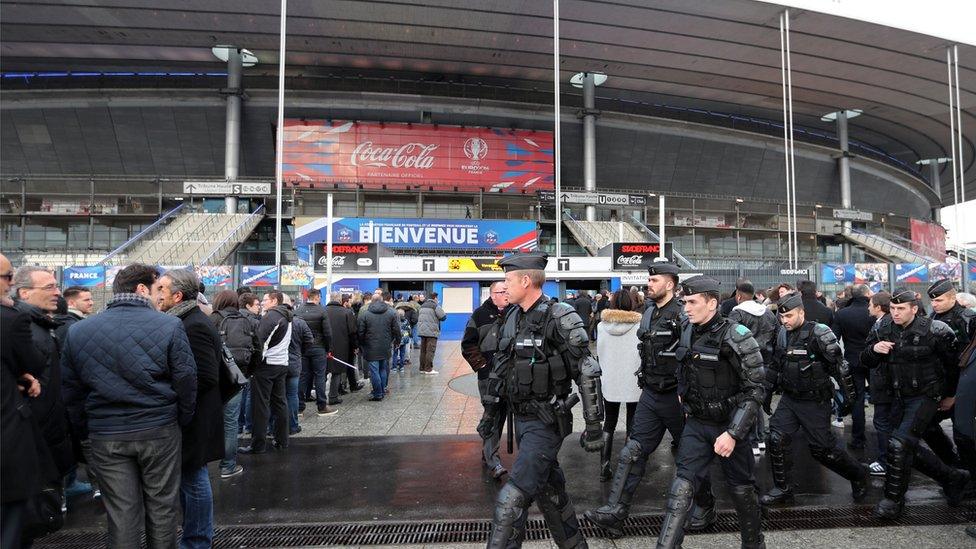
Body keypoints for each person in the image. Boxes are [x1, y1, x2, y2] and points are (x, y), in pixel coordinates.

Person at [61, 264, 197, 548]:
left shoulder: (80, 331)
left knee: (122, 514)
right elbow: (186, 380)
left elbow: (71, 392)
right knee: (162, 509)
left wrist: (86, 432)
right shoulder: (170, 325)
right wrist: (179, 419)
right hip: (158, 429)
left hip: (106, 433)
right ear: (141, 289)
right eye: (157, 287)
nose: (160, 294)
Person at [479, 251, 605, 549]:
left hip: (547, 423)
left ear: (526, 280)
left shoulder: (559, 316)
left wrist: (594, 424)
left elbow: (586, 370)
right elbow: (501, 369)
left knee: (512, 500)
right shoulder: (511, 315)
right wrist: (490, 416)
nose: (503, 286)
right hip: (520, 420)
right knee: (551, 492)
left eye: (508, 280)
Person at [587, 264, 714, 538]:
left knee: (690, 456)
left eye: (654, 279)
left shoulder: (682, 315)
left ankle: (705, 506)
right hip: (651, 395)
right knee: (631, 453)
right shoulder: (648, 314)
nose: (649, 283)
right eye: (648, 279)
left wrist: (689, 395)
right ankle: (615, 512)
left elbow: (694, 355)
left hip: (677, 399)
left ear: (670, 284)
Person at [654, 275, 766, 549]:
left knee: (742, 490)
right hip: (697, 424)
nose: (686, 308)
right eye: (684, 302)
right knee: (681, 489)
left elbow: (755, 390)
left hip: (729, 428)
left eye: (692, 302)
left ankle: (754, 545)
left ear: (713, 303)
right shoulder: (688, 328)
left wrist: (733, 433)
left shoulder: (737, 336)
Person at [860, 287, 970, 519]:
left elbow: (954, 367)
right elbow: (864, 360)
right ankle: (952, 477)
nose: (896, 313)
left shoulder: (936, 330)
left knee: (899, 445)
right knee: (902, 445)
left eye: (901, 309)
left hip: (926, 396)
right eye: (892, 308)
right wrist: (874, 350)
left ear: (914, 309)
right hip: (898, 396)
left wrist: (951, 395)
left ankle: (892, 502)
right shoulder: (882, 326)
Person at [759, 293, 867, 507]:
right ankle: (783, 488)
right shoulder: (783, 334)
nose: (785, 320)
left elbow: (840, 367)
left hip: (815, 401)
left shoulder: (819, 333)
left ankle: (858, 475)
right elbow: (775, 365)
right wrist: (767, 392)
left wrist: (849, 398)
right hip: (790, 399)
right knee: (776, 439)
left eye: (789, 316)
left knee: (822, 450)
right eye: (782, 317)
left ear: (801, 312)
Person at [154, 269, 224, 549]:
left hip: (195, 415)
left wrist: (181, 403)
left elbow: (205, 375)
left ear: (177, 295)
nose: (157, 295)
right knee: (191, 477)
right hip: (195, 413)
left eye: (162, 289)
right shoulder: (186, 319)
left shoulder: (191, 324)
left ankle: (197, 541)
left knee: (194, 478)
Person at [0, 253, 49, 548]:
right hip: (6, 442)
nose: (10, 283)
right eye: (7, 277)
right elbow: (32, 361)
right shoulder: (10, 320)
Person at [10, 267, 75, 487]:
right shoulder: (23, 330)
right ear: (24, 292)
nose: (57, 292)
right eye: (49, 287)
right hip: (36, 441)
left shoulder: (41, 326)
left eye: (56, 286)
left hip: (47, 437)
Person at [460, 280, 510, 480]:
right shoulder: (479, 315)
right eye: (502, 291)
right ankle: (493, 460)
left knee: (503, 413)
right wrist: (481, 365)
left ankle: (488, 451)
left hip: (511, 375)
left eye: (507, 290)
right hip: (488, 376)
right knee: (492, 413)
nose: (506, 294)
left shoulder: (515, 312)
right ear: (492, 294)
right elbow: (468, 344)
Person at [592, 289, 641, 482]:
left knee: (609, 423)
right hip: (633, 380)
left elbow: (600, 352)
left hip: (610, 379)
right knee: (633, 423)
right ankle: (628, 466)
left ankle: (604, 466)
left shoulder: (602, 326)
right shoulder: (640, 326)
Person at [926, 278, 975, 467]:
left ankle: (970, 476)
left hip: (962, 387)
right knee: (926, 426)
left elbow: (965, 362)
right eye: (933, 301)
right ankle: (954, 466)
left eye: (939, 300)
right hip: (939, 386)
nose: (934, 304)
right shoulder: (932, 319)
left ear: (952, 298)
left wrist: (954, 395)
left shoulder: (967, 319)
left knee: (963, 434)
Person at [210, 290, 257, 479]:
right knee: (230, 423)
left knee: (208, 420)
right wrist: (247, 372)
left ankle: (202, 465)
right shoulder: (247, 320)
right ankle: (228, 465)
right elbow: (257, 348)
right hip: (236, 377)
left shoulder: (212, 319)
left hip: (213, 378)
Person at [240, 290, 292, 454]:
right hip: (281, 364)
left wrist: (252, 366)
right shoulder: (288, 316)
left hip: (266, 366)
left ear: (275, 300)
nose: (262, 303)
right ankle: (282, 440)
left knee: (260, 406)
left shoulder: (271, 317)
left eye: (265, 300)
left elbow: (259, 343)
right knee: (280, 403)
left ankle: (258, 444)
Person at [831, 284, 875, 451]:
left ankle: (858, 438)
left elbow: (834, 338)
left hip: (853, 359)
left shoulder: (842, 314)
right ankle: (886, 434)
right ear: (866, 294)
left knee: (857, 399)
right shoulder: (873, 312)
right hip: (874, 359)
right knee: (881, 398)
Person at [295, 290, 335, 414]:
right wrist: (329, 349)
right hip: (319, 348)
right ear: (317, 297)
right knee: (319, 376)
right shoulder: (322, 311)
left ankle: (299, 407)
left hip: (303, 348)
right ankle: (322, 406)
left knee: (302, 376)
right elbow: (328, 333)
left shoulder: (299, 310)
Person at [866, 291, 893, 476]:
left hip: (884, 382)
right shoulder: (880, 323)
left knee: (882, 421)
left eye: (870, 304)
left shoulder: (885, 325)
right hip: (882, 380)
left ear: (877, 307)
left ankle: (886, 461)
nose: (868, 307)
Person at [358, 293, 401, 402]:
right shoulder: (391, 312)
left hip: (371, 346)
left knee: (374, 371)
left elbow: (361, 332)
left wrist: (361, 344)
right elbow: (396, 329)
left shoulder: (365, 314)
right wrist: (397, 341)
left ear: (371, 301)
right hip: (386, 345)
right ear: (382, 300)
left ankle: (377, 393)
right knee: (383, 368)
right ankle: (382, 390)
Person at [284, 294, 318, 430]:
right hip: (294, 361)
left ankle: (273, 426)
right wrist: (300, 351)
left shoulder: (271, 319)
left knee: (276, 395)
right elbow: (309, 340)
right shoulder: (298, 321)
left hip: (276, 363)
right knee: (292, 394)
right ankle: (293, 425)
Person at [325, 292, 362, 393]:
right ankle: (335, 393)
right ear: (340, 300)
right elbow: (352, 332)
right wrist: (355, 346)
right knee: (338, 370)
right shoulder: (346, 312)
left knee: (324, 371)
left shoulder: (323, 311)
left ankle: (321, 394)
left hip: (325, 345)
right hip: (344, 346)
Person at [236, 292, 261, 436]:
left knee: (239, 394)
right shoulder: (254, 321)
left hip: (234, 363)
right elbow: (259, 344)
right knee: (250, 394)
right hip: (249, 362)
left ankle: (238, 425)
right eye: (256, 305)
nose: (259, 308)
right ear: (248, 306)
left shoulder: (230, 317)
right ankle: (249, 425)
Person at [417, 292, 447, 374]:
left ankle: (422, 368)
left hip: (422, 331)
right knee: (430, 351)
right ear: (435, 298)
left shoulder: (422, 306)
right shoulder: (435, 306)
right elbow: (443, 317)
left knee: (423, 351)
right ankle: (428, 369)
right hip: (431, 332)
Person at [393, 309, 411, 373]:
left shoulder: (395, 320)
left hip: (396, 340)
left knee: (395, 354)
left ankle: (394, 367)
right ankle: (401, 367)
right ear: (404, 314)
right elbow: (409, 329)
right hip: (404, 340)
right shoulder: (406, 321)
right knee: (402, 354)